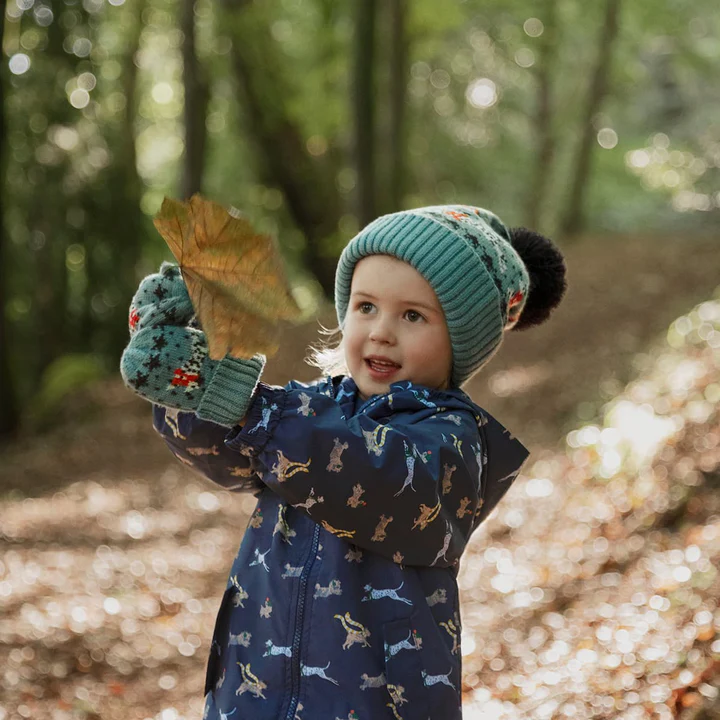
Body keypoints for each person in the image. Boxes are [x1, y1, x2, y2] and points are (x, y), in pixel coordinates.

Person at [120, 205, 567, 720]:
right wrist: (187, 376)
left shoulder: (452, 440)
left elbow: (375, 477)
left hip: (376, 701)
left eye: (413, 315)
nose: (381, 332)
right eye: (366, 307)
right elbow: (228, 456)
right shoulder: (314, 406)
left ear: (463, 339)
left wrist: (248, 404)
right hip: (255, 689)